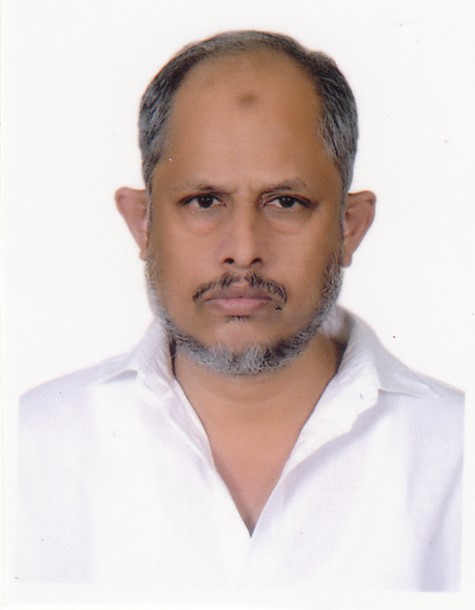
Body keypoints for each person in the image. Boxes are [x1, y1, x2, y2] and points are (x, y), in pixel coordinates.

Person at [16, 30, 463, 595]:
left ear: (350, 227)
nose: (244, 248)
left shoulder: (457, 453)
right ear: (142, 223)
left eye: (286, 202)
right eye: (204, 201)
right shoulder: (29, 448)